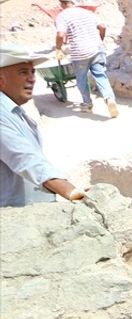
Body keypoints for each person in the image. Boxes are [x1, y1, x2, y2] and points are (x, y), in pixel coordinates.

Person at [0, 43, 85, 206]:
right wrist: (70, 191)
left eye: (32, 72)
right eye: (23, 72)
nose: (32, 78)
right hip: (15, 216)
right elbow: (25, 159)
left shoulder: (11, 110)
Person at [54, 0, 118, 118]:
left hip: (80, 53)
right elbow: (102, 26)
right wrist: (100, 39)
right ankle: (109, 99)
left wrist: (58, 49)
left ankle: (87, 104)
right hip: (97, 49)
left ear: (62, 4)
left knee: (81, 78)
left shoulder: (62, 16)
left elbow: (60, 35)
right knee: (100, 75)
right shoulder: (87, 12)